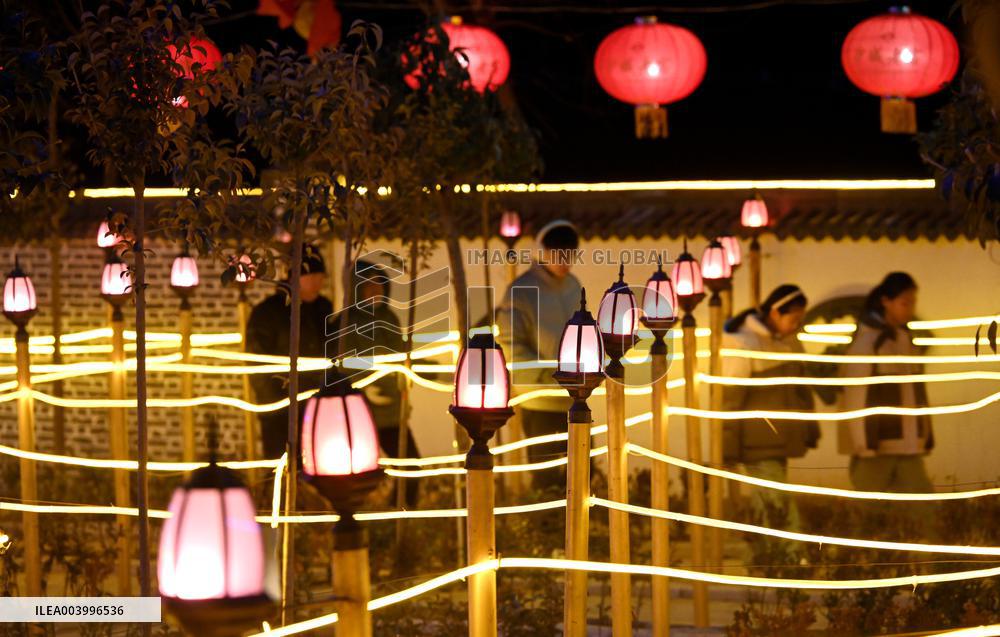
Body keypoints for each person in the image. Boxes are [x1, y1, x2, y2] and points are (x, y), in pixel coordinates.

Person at [722, 284, 818, 529]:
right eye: (793, 319)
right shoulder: (743, 343)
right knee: (779, 508)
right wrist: (727, 448)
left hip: (778, 441)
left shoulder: (786, 342)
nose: (796, 325)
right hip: (756, 444)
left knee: (768, 507)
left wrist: (810, 428)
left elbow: (800, 391)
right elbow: (730, 400)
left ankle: (763, 560)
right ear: (775, 313)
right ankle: (789, 558)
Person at [496, 220, 582, 491]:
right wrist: (548, 375)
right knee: (545, 479)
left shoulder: (573, 285)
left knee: (582, 473)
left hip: (576, 396)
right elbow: (510, 346)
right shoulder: (521, 291)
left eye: (570, 254)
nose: (565, 261)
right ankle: (543, 530)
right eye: (559, 254)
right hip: (539, 399)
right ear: (542, 252)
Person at [327, 260, 419, 507]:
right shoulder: (344, 323)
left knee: (410, 467)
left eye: (379, 284)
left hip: (392, 412)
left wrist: (404, 382)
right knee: (359, 474)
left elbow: (399, 355)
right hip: (361, 413)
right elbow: (341, 366)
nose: (375, 291)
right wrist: (365, 388)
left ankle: (400, 516)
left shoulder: (389, 317)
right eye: (368, 286)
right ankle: (357, 521)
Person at [840, 272, 934, 492]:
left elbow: (917, 392)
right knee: (870, 513)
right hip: (878, 446)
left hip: (908, 444)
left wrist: (925, 435)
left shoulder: (905, 340)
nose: (910, 309)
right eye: (904, 303)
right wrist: (864, 444)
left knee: (922, 509)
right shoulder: (869, 343)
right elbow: (857, 397)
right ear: (886, 302)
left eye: (913, 303)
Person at [245, 245, 333, 460]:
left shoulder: (324, 308)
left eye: (320, 276)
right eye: (310, 276)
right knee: (281, 468)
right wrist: (275, 402)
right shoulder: (269, 313)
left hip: (317, 405)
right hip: (280, 408)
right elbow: (257, 362)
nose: (317, 282)